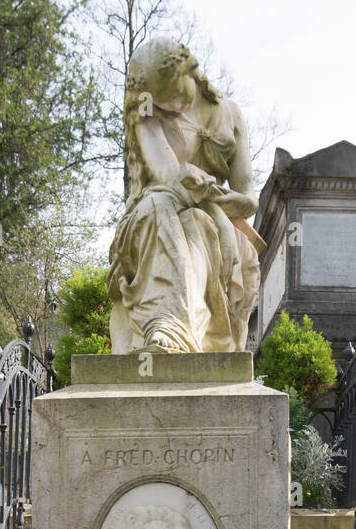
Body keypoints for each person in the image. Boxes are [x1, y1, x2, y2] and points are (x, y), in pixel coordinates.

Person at [108, 38, 263, 354]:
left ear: (191, 70)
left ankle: (177, 331)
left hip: (212, 210)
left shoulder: (230, 115)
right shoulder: (147, 113)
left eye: (179, 95)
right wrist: (189, 181)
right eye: (167, 103)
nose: (175, 107)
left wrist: (221, 198)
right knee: (163, 208)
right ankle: (166, 329)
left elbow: (249, 198)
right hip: (160, 204)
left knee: (198, 225)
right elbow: (168, 174)